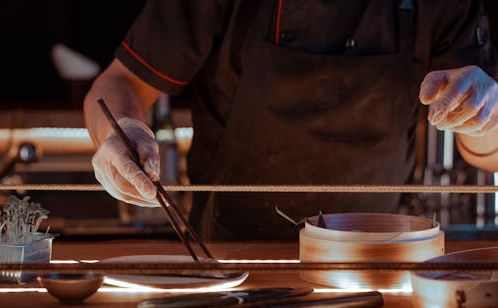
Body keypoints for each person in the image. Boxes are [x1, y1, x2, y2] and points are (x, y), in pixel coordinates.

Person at [84, 0, 498, 241]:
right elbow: (118, 82)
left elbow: (485, 155)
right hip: (232, 258)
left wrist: (485, 115)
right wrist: (121, 132)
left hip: (376, 259)